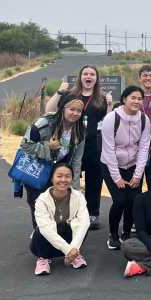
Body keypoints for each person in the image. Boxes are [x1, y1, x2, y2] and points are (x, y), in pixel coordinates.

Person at [45, 65, 113, 230]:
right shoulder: (70, 95)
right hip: (71, 143)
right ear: (80, 77)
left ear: (96, 79)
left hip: (93, 145)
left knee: (94, 180)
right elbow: (49, 110)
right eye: (85, 73)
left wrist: (110, 106)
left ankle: (92, 213)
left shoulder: (102, 98)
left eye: (92, 74)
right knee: (67, 177)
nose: (88, 76)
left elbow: (108, 122)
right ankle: (67, 212)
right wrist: (60, 91)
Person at [18, 93, 86, 229]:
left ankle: (54, 236)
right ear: (62, 108)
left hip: (59, 174)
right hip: (37, 171)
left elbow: (76, 161)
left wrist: (75, 188)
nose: (75, 113)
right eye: (72, 109)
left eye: (79, 111)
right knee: (38, 204)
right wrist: (48, 147)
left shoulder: (80, 130)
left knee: (57, 205)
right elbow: (25, 145)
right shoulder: (44, 123)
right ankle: (39, 234)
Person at [100, 85, 151, 251]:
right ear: (124, 99)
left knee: (134, 201)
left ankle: (127, 232)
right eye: (133, 98)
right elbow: (108, 149)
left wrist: (138, 174)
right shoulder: (111, 118)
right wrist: (117, 177)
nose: (136, 101)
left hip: (133, 164)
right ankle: (113, 235)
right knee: (120, 200)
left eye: (139, 98)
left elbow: (144, 147)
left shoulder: (144, 120)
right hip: (111, 164)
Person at [31, 162, 90, 275]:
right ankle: (43, 258)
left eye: (68, 176)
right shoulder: (41, 200)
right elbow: (46, 229)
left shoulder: (78, 196)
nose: (63, 180)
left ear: (72, 179)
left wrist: (73, 249)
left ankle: (75, 255)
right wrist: (68, 251)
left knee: (83, 225)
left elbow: (85, 221)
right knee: (41, 230)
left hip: (69, 241)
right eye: (59, 176)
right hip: (47, 242)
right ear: (52, 179)